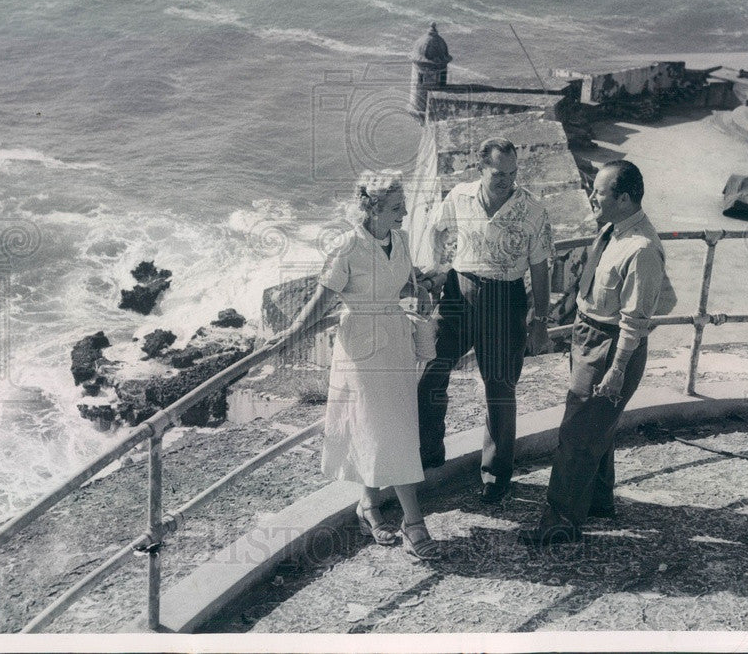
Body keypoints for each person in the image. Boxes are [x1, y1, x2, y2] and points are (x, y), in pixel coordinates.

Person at [270, 170, 441, 561]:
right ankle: (414, 523)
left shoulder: (397, 238)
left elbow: (405, 282)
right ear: (373, 207)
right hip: (362, 350)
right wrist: (293, 333)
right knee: (391, 431)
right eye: (397, 207)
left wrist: (420, 292)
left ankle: (368, 504)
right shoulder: (347, 247)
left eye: (404, 206)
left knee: (382, 428)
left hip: (396, 344)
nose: (405, 213)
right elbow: (322, 299)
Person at [519, 159, 667, 546]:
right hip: (589, 335)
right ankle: (599, 502)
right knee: (597, 426)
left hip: (609, 343)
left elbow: (637, 318)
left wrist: (617, 368)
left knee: (577, 435)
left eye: (599, 193)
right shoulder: (613, 231)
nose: (591, 198)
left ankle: (559, 523)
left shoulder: (641, 249)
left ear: (624, 198)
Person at [417, 138, 554, 504]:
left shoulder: (533, 209)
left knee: (500, 389)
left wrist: (540, 320)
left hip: (505, 300)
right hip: (458, 292)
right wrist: (436, 270)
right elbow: (435, 230)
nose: (506, 180)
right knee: (430, 370)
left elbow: (541, 268)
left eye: (512, 173)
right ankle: (428, 455)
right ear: (480, 169)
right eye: (498, 174)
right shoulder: (459, 196)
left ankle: (496, 474)